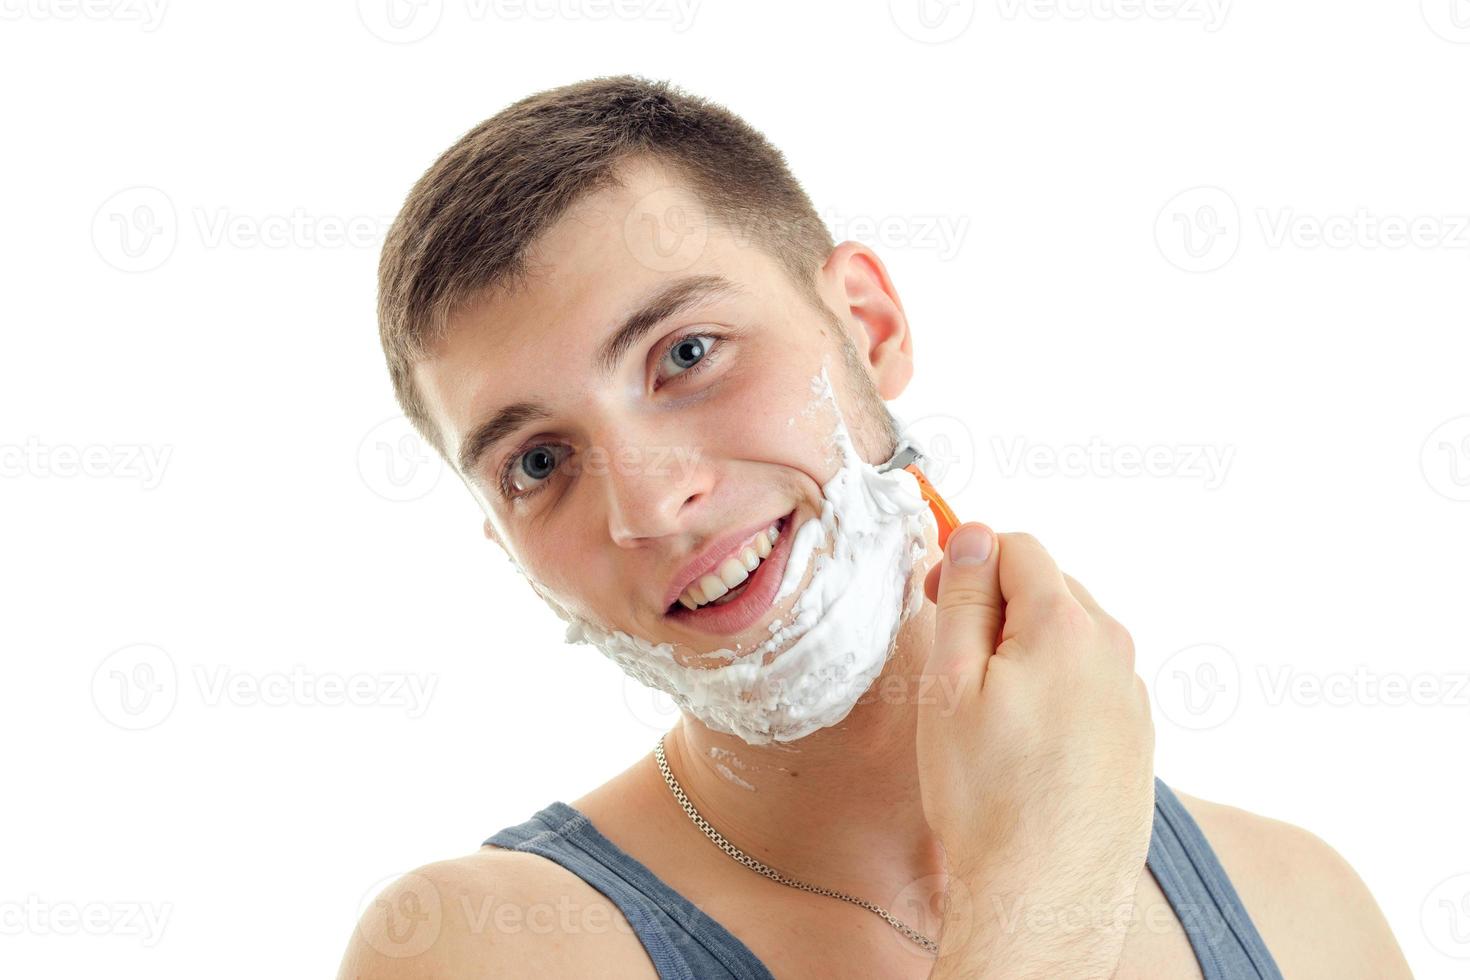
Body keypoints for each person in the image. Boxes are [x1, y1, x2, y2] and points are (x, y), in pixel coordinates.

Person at [336, 75, 1411, 978]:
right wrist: (1036, 898)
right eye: (537, 462)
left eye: (688, 353)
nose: (652, 504)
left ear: (869, 325)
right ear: (505, 545)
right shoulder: (483, 946)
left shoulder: (1302, 906)